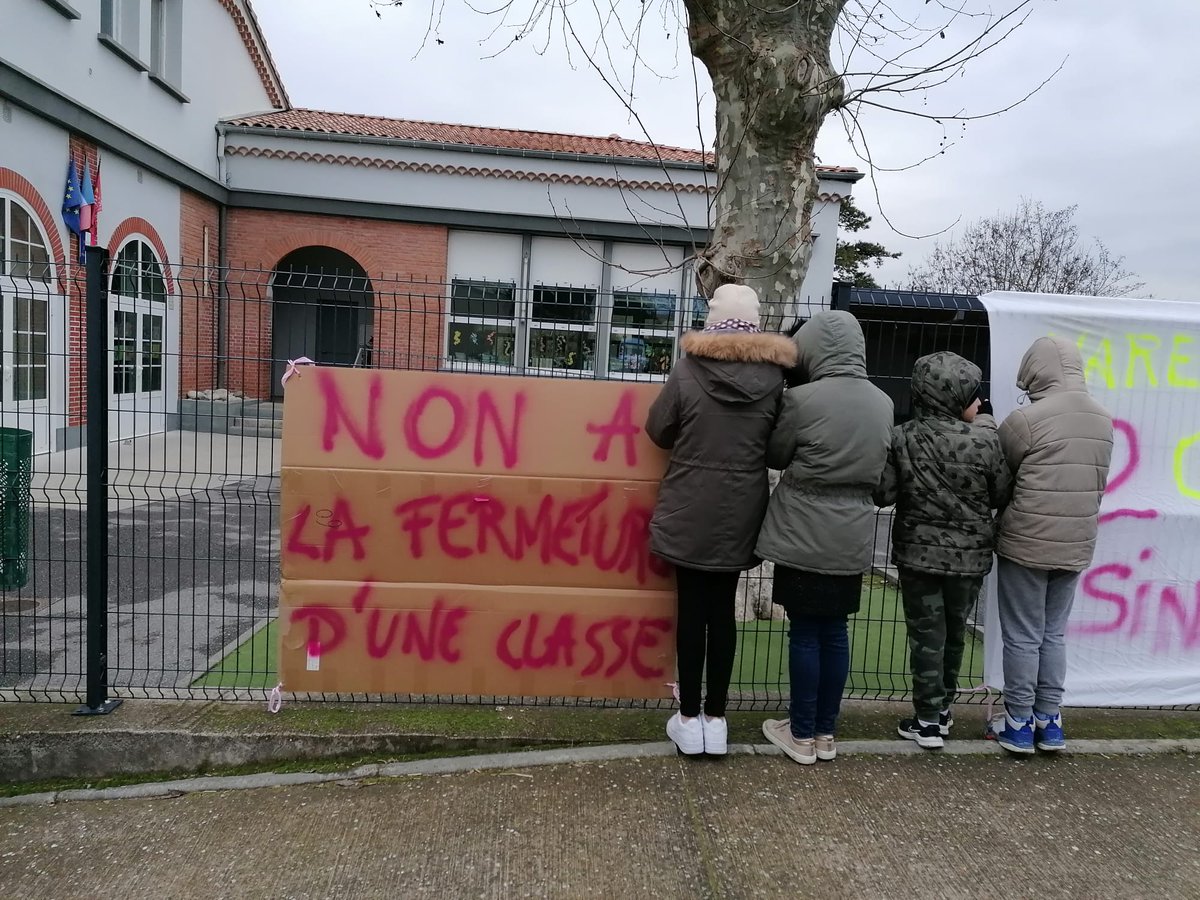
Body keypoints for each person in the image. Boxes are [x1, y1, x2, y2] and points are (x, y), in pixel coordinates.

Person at [646, 284, 798, 757]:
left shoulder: (688, 369)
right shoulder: (775, 380)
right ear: (755, 321)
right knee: (723, 613)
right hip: (741, 508)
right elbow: (777, 449)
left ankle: (688, 720)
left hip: (690, 507)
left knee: (691, 612)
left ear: (712, 320)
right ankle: (717, 718)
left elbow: (657, 429)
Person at [755, 310, 893, 765]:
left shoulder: (803, 399)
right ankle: (825, 735)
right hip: (852, 534)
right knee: (835, 632)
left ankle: (798, 731)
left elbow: (776, 455)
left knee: (804, 633)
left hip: (801, 528)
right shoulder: (883, 403)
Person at [874, 352, 1012, 750]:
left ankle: (927, 720)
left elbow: (883, 493)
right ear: (953, 396)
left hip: (918, 558)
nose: (978, 402)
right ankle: (944, 711)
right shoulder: (987, 440)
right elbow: (1002, 492)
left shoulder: (904, 436)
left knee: (926, 637)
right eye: (973, 395)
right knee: (955, 635)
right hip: (970, 559)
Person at [989, 336, 1113, 754]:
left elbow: (1000, 474)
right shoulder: (1103, 420)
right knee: (1053, 633)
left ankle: (1019, 722)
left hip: (1025, 543)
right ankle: (1050, 719)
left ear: (1034, 371)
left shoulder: (1026, 420)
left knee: (1023, 635)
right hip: (1077, 543)